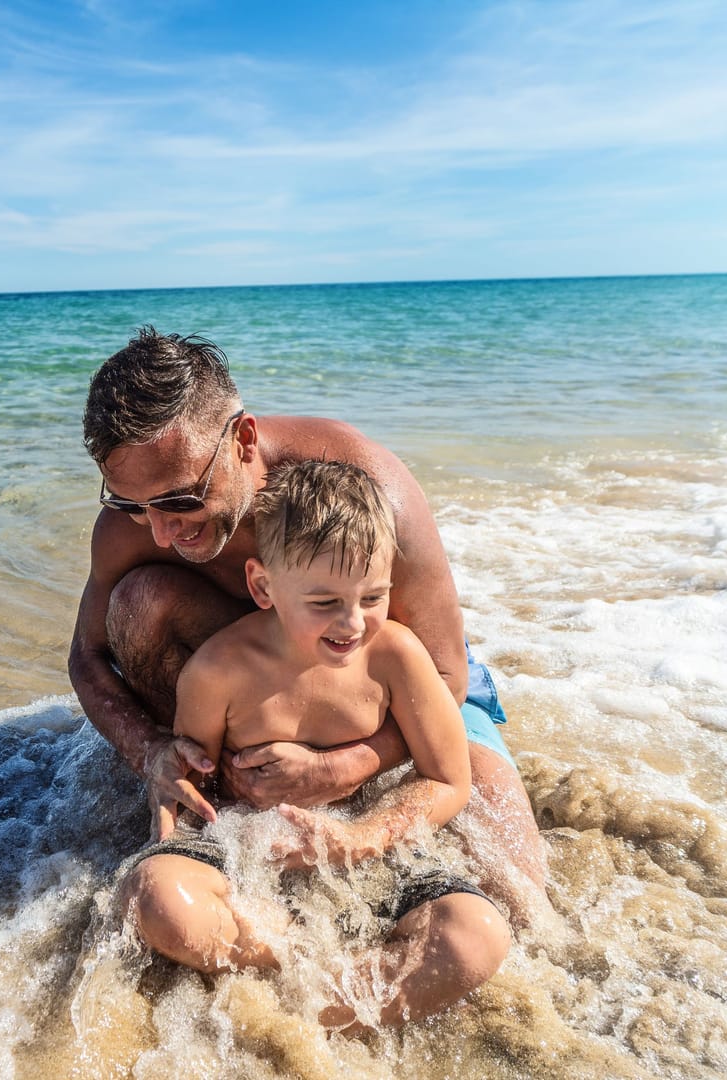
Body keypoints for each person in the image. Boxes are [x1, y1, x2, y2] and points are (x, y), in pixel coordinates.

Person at [68, 327, 546, 900]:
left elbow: (447, 674)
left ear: (243, 439)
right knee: (139, 602)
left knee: (514, 890)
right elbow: (87, 658)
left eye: (179, 499)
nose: (161, 530)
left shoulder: (363, 484)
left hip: (388, 683)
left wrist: (345, 767)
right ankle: (223, 785)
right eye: (131, 504)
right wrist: (151, 753)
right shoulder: (135, 526)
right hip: (246, 676)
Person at [123, 459, 510, 1028]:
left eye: (373, 598)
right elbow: (196, 796)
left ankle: (311, 1010)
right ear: (263, 586)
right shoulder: (218, 672)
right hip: (252, 851)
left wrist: (361, 837)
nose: (353, 623)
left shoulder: (396, 658)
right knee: (155, 900)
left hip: (368, 839)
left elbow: (448, 780)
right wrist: (174, 792)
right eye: (326, 603)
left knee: (477, 935)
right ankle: (300, 967)